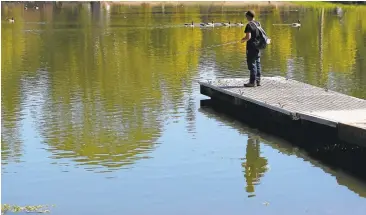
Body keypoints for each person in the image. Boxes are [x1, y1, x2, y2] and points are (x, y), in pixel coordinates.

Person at [241, 10, 261, 87]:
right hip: (258, 46)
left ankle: (252, 82)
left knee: (252, 64)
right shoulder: (258, 23)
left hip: (251, 47)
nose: (245, 17)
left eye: (246, 16)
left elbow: (248, 37)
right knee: (258, 63)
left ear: (248, 16)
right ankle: (258, 81)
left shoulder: (249, 25)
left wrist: (243, 40)